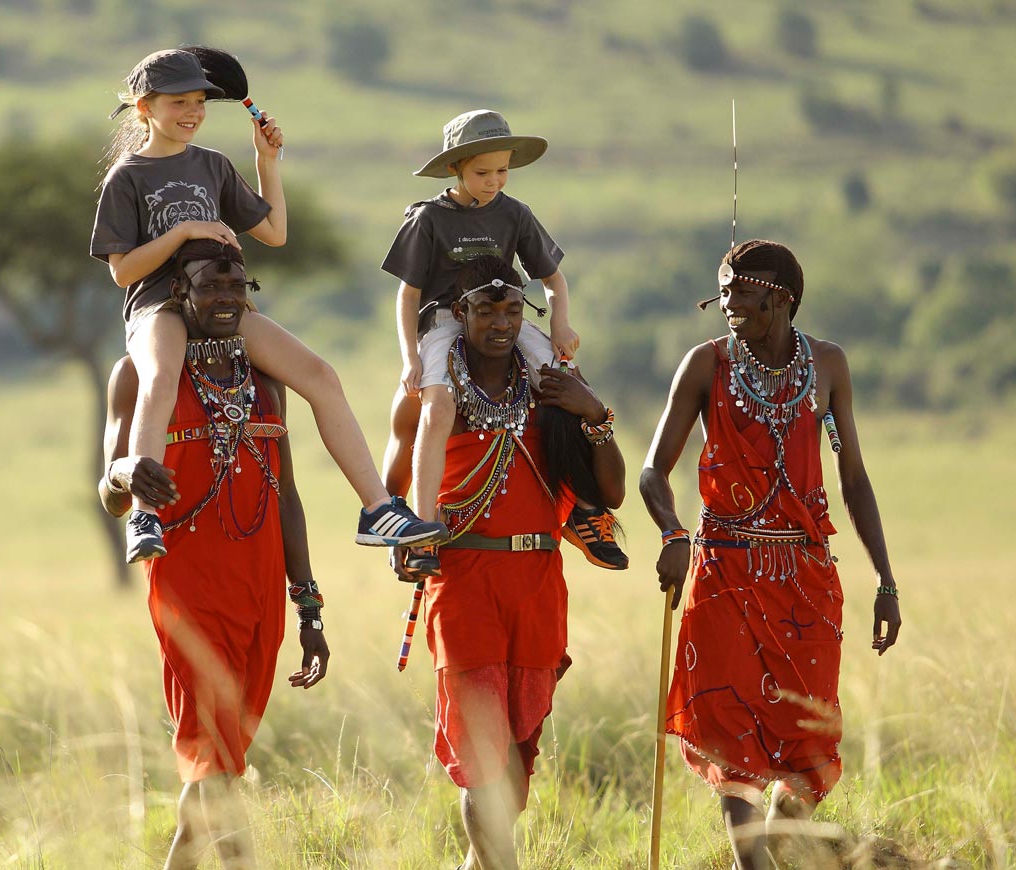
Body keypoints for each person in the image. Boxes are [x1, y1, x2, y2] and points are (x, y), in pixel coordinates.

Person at [91, 48, 444, 564]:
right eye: (178, 102)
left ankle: (376, 509)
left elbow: (274, 233)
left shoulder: (212, 164)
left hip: (226, 309)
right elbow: (122, 271)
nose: (192, 111)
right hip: (159, 307)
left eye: (199, 102)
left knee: (321, 375)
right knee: (161, 375)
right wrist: (185, 231)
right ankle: (146, 512)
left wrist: (266, 162)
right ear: (144, 107)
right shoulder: (127, 176)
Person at [638, 240, 904, 869]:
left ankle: (774, 844)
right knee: (731, 736)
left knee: (807, 744)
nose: (729, 301)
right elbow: (653, 472)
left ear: (783, 297)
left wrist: (886, 579)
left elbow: (854, 478)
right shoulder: (705, 365)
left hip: (806, 578)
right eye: (723, 289)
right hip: (724, 571)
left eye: (743, 289)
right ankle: (750, 862)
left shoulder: (829, 367)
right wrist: (675, 534)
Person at [99, 239, 331, 868]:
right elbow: (109, 491)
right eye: (210, 286)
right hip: (187, 584)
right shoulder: (140, 374)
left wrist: (308, 606)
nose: (226, 298)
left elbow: (286, 496)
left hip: (261, 585)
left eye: (238, 287)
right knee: (213, 755)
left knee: (221, 766)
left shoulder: (264, 381)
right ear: (180, 292)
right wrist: (126, 474)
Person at [395, 256, 625, 869]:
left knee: (515, 773)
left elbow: (611, 493)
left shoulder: (551, 388)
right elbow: (393, 486)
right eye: (486, 309)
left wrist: (594, 413)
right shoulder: (428, 392)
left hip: (537, 586)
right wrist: (413, 537)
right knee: (482, 769)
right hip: (464, 584)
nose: (500, 322)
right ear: (459, 313)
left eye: (512, 310)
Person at [380, 109, 629, 572]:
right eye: (482, 172)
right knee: (436, 408)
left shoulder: (516, 213)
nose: (494, 181)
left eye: (502, 171)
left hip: (505, 315)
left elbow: (553, 278)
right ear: (455, 168)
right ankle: (422, 527)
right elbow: (408, 292)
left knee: (565, 380)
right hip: (445, 318)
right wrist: (409, 356)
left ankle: (584, 507)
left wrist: (560, 324)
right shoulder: (429, 217)